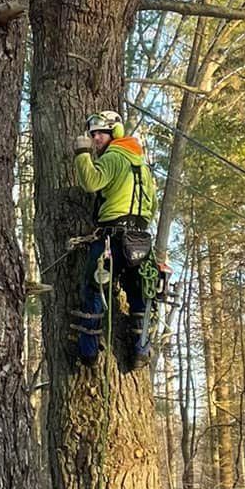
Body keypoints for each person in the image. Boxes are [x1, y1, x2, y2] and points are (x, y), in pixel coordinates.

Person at [71, 110, 159, 369]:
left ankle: (87, 351)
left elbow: (91, 181)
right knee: (139, 292)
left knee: (94, 288)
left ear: (114, 134)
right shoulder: (142, 166)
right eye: (93, 134)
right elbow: (152, 205)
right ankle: (141, 349)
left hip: (112, 238)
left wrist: (82, 154)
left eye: (101, 133)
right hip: (140, 241)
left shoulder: (113, 157)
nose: (96, 137)